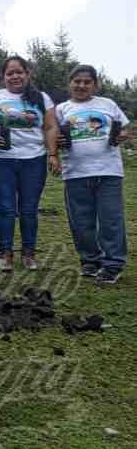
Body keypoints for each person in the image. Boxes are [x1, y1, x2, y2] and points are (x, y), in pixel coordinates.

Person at [0, 56, 58, 272]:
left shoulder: (42, 98)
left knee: (29, 209)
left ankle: (29, 254)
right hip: (1, 162)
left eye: (19, 71)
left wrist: (53, 154)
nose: (15, 76)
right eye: (10, 73)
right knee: (6, 209)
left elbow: (50, 127)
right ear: (3, 77)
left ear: (27, 74)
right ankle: (5, 254)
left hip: (34, 161)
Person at [55, 64, 131, 284]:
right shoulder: (61, 109)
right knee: (81, 221)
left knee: (111, 219)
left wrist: (122, 136)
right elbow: (52, 134)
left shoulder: (108, 104)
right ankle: (90, 260)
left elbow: (125, 128)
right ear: (70, 84)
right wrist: (56, 144)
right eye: (77, 81)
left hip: (109, 171)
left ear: (95, 85)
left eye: (87, 82)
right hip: (75, 172)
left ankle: (113, 263)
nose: (81, 85)